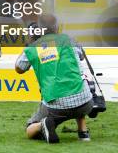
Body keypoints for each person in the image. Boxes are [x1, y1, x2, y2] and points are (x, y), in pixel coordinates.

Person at [16, 15, 93, 144]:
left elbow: (19, 68)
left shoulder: (34, 47)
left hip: (57, 107)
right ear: (57, 28)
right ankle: (83, 132)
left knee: (30, 129)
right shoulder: (68, 40)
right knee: (76, 82)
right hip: (85, 103)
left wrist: (31, 42)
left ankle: (43, 124)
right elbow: (81, 56)